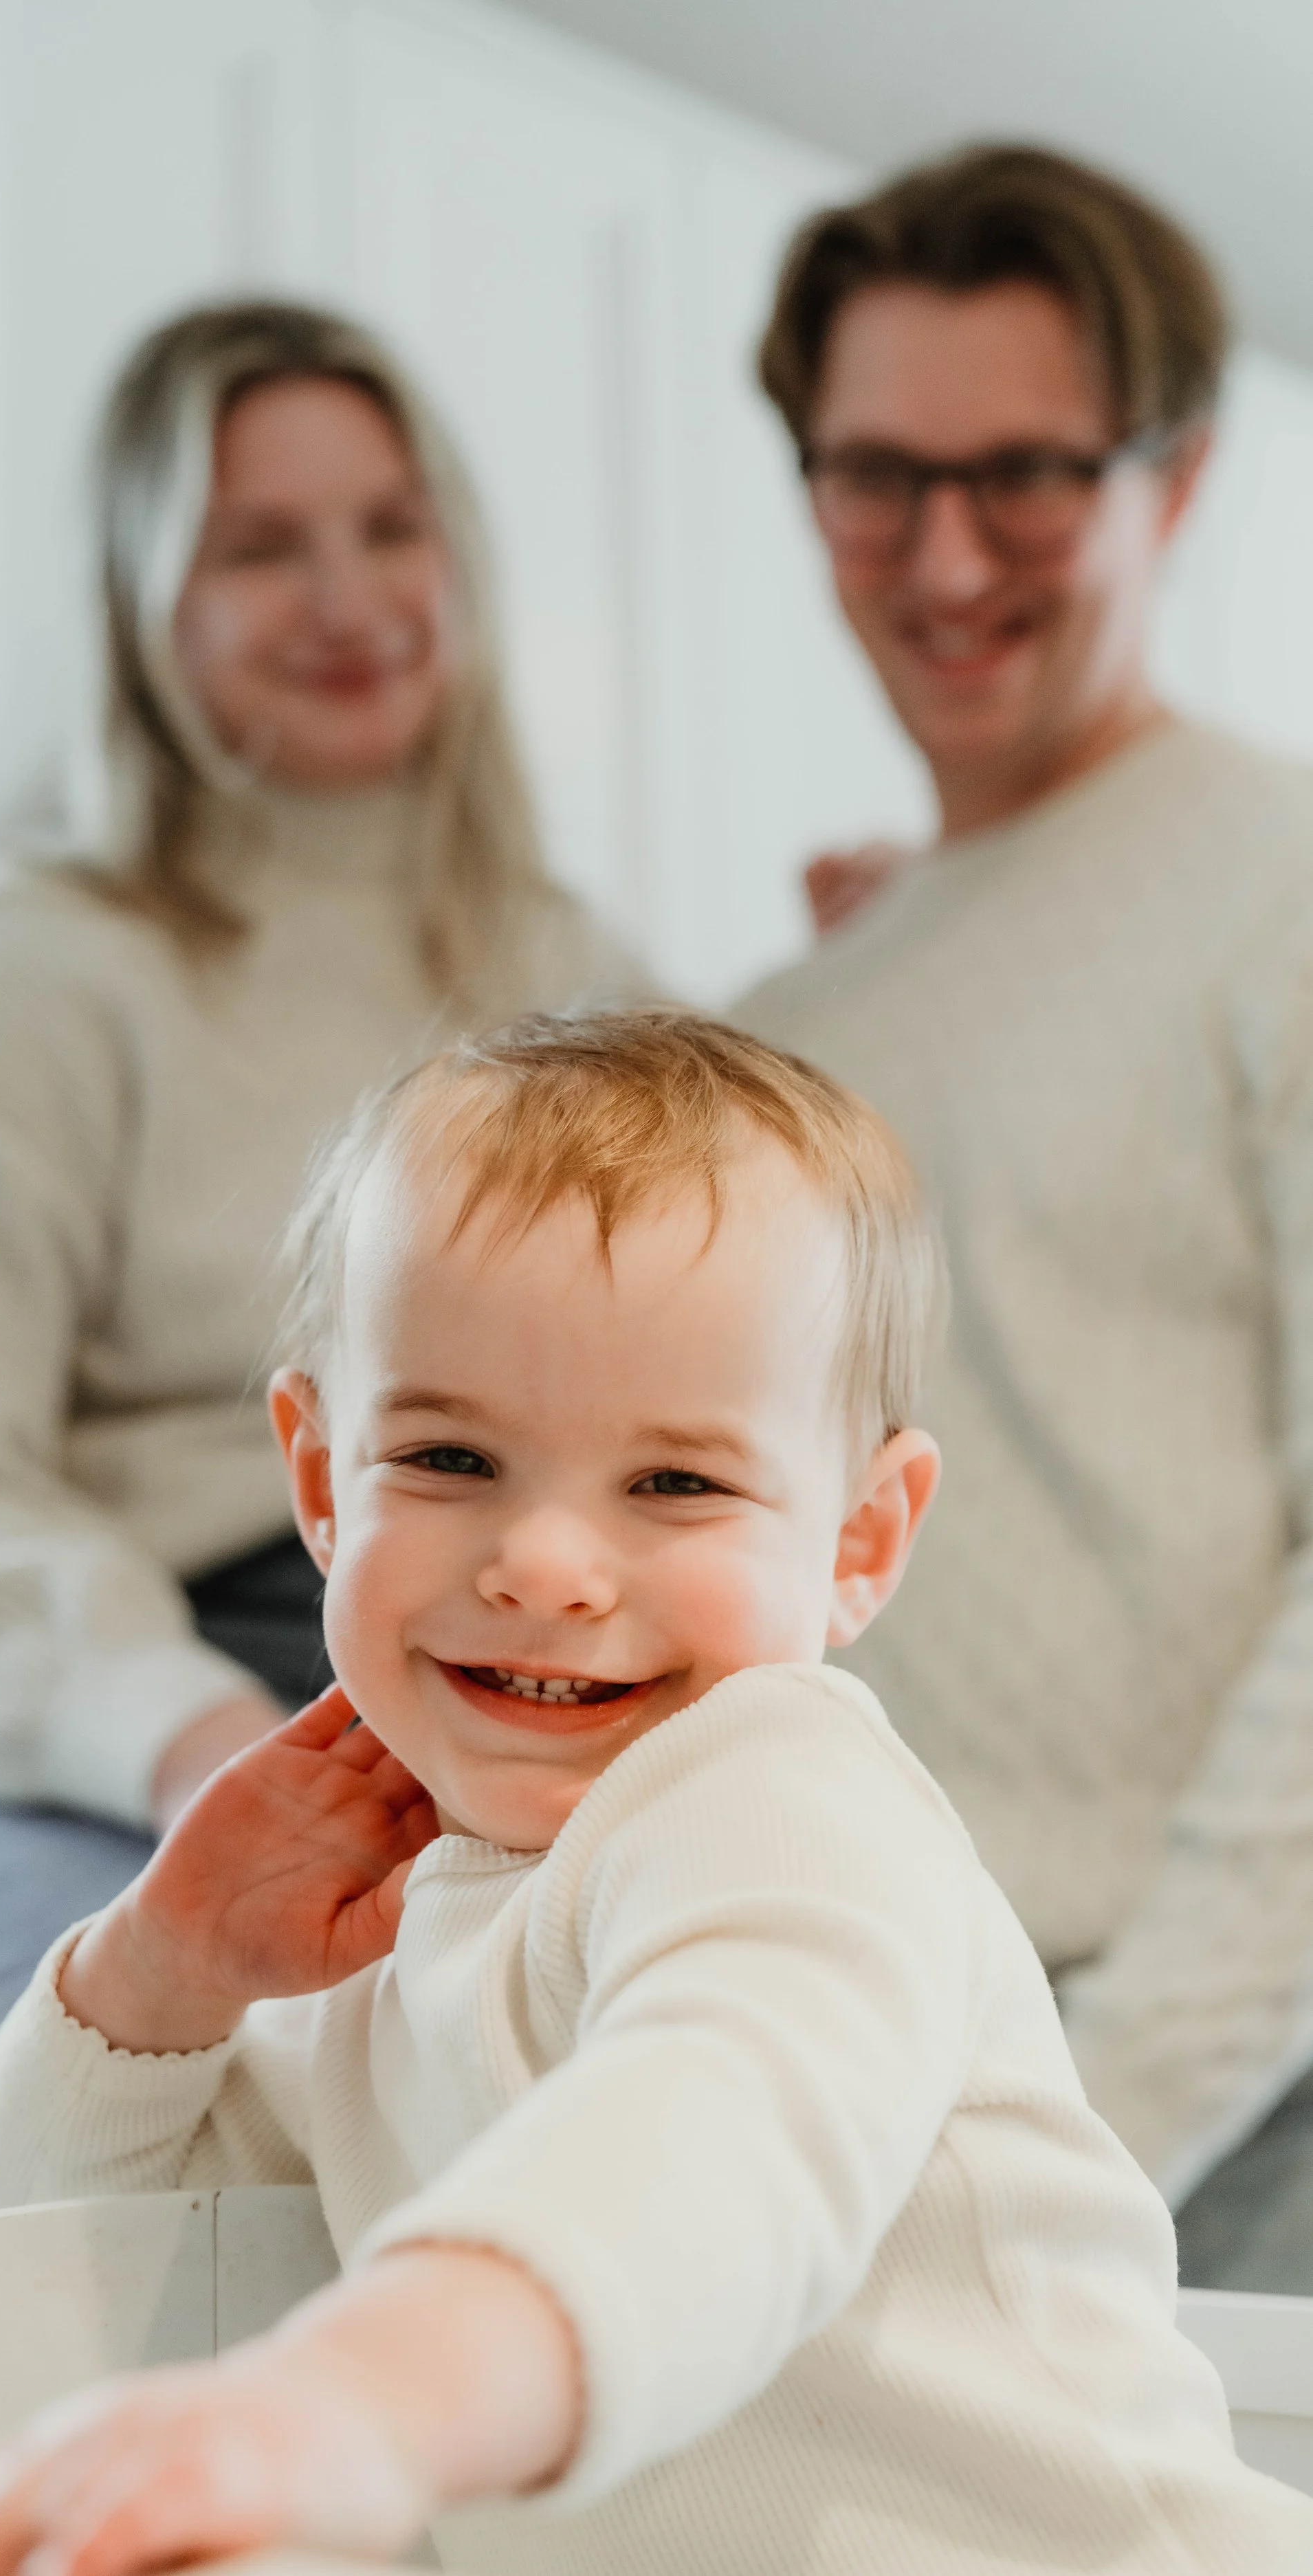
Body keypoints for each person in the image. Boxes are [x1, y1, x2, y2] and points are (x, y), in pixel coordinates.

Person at [0, 1010, 1312, 2576]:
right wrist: (152, 1981)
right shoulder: (368, 1938)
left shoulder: (784, 1799)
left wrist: (354, 2402)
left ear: (857, 1537)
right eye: (447, 1458)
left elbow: (706, 2140)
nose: (543, 1566)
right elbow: (37, 2293)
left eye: (673, 1483)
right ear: (318, 1482)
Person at [0, 300, 635, 2129]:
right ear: (148, 602)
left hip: (458, 1672)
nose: (348, 597)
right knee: (203, 2120)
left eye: (390, 527)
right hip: (52, 1740)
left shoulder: (566, 974)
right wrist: (199, 1747)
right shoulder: (25, 967)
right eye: (260, 547)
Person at [734, 144, 1313, 2289]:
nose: (946, 553)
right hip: (857, 2083)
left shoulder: (1281, 879)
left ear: (1170, 478)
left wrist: (1101, 2121)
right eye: (874, 474)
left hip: (1210, 2115)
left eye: (1027, 476)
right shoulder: (785, 1013)